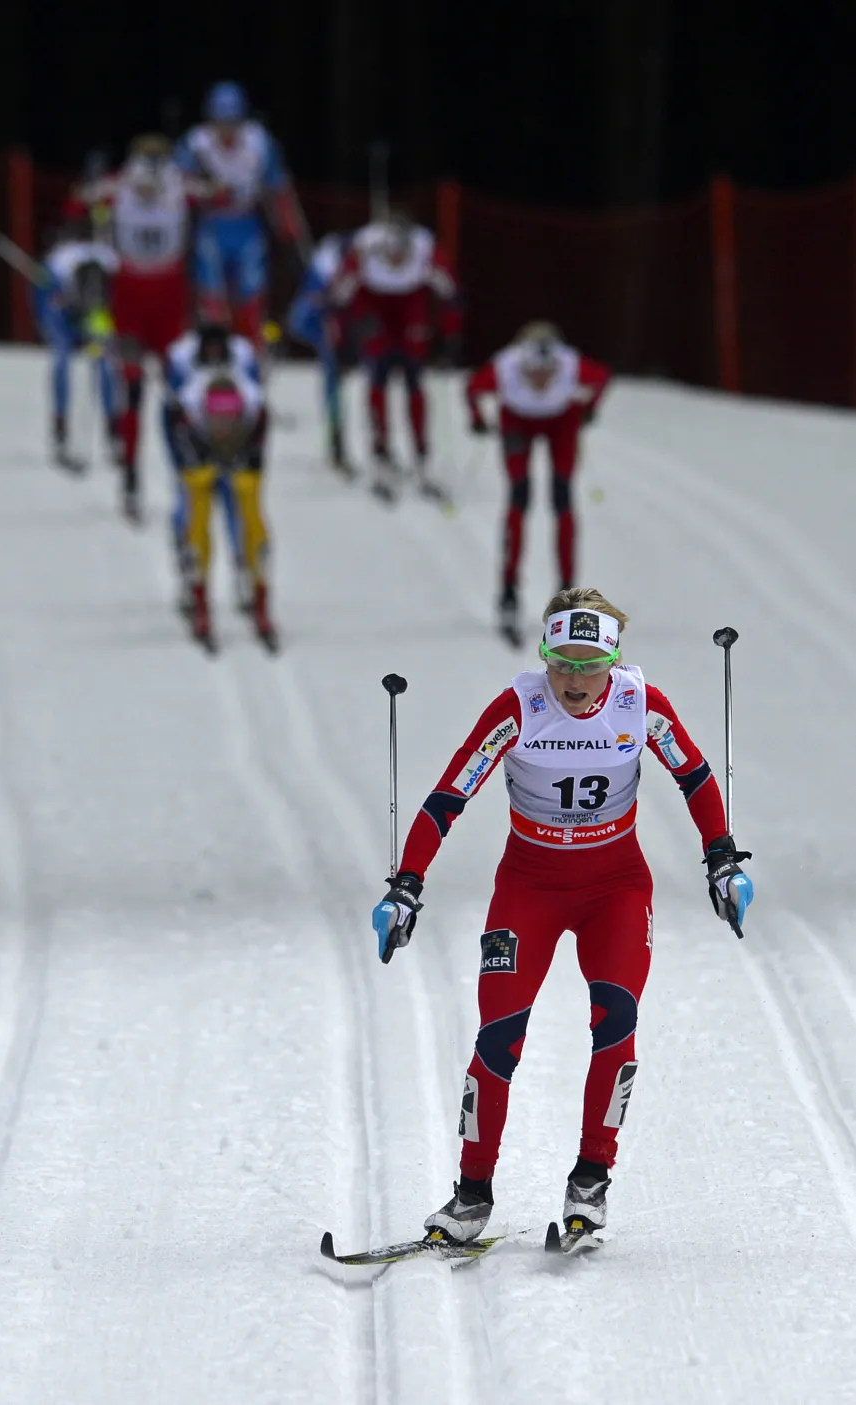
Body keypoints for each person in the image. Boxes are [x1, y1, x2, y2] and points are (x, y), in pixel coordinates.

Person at [372, 587, 753, 1251]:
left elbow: (693, 775)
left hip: (615, 888)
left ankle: (590, 1179)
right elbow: (445, 796)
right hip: (529, 888)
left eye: (589, 665)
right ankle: (470, 1193)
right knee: (497, 1036)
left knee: (615, 1021)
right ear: (543, 658)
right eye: (562, 664)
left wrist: (720, 857)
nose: (575, 681)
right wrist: (406, 884)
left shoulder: (640, 704)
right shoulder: (518, 707)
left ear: (613, 661)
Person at [466, 322, 611, 645]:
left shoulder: (572, 366)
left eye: (547, 374)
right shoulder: (505, 368)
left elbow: (602, 377)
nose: (541, 382)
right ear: (523, 367)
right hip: (517, 420)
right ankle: (508, 590)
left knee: (562, 499)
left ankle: (568, 590)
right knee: (519, 499)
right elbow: (473, 387)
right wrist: (476, 418)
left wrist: (588, 409)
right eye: (534, 374)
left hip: (562, 421)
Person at [88, 134, 192, 520]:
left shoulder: (180, 184)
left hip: (169, 300)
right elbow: (79, 200)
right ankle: (130, 470)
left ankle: (185, 467)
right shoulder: (119, 185)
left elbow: (219, 196)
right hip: (130, 300)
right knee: (132, 389)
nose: (148, 187)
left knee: (178, 391)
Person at [331, 210, 461, 501]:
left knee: (415, 381)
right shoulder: (364, 249)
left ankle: (421, 451)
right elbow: (340, 296)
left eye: (401, 256)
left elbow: (451, 294)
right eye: (391, 255)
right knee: (378, 379)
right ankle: (380, 447)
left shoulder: (426, 251)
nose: (395, 261)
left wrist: (450, 336)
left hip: (410, 309)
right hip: (375, 309)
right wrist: (343, 343)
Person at [175, 81, 306, 345]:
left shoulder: (259, 142)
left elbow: (277, 187)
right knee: (211, 293)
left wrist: (289, 230)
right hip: (211, 225)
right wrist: (207, 190)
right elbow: (177, 185)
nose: (228, 131)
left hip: (247, 225)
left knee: (251, 294)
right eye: (222, 122)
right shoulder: (196, 143)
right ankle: (213, 351)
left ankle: (252, 350)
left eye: (233, 122)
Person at [169, 364, 274, 649]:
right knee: (197, 522)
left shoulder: (257, 415)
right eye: (218, 414)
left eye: (230, 413)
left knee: (254, 522)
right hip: (201, 454)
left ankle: (261, 594)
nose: (224, 423)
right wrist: (203, 467)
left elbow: (255, 472)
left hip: (242, 455)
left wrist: (242, 466)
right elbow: (187, 465)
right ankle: (199, 594)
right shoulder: (186, 417)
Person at [163, 324, 262, 613]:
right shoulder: (180, 359)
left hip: (235, 433)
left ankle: (244, 569)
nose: (216, 354)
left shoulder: (244, 357)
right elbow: (173, 415)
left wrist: (247, 454)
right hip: (192, 433)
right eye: (210, 349)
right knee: (188, 504)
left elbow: (256, 409)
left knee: (236, 502)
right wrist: (185, 460)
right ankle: (189, 574)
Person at [33, 219, 120, 472]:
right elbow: (47, 296)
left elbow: (119, 295)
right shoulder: (60, 261)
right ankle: (63, 425)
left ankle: (111, 428)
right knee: (64, 361)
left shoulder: (106, 257)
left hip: (96, 313)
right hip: (67, 310)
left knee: (104, 365)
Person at [286, 231, 354, 472]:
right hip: (327, 323)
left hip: (350, 321)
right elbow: (298, 321)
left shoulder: (356, 259)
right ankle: (336, 438)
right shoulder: (324, 265)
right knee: (333, 379)